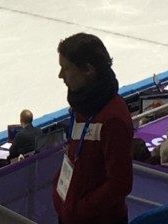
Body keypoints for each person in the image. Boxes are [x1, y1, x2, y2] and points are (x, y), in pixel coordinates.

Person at [53, 33, 133, 224]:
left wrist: (78, 212)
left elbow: (119, 184)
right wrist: (59, 191)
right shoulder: (82, 107)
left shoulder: (113, 118)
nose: (60, 75)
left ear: (88, 70)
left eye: (66, 68)